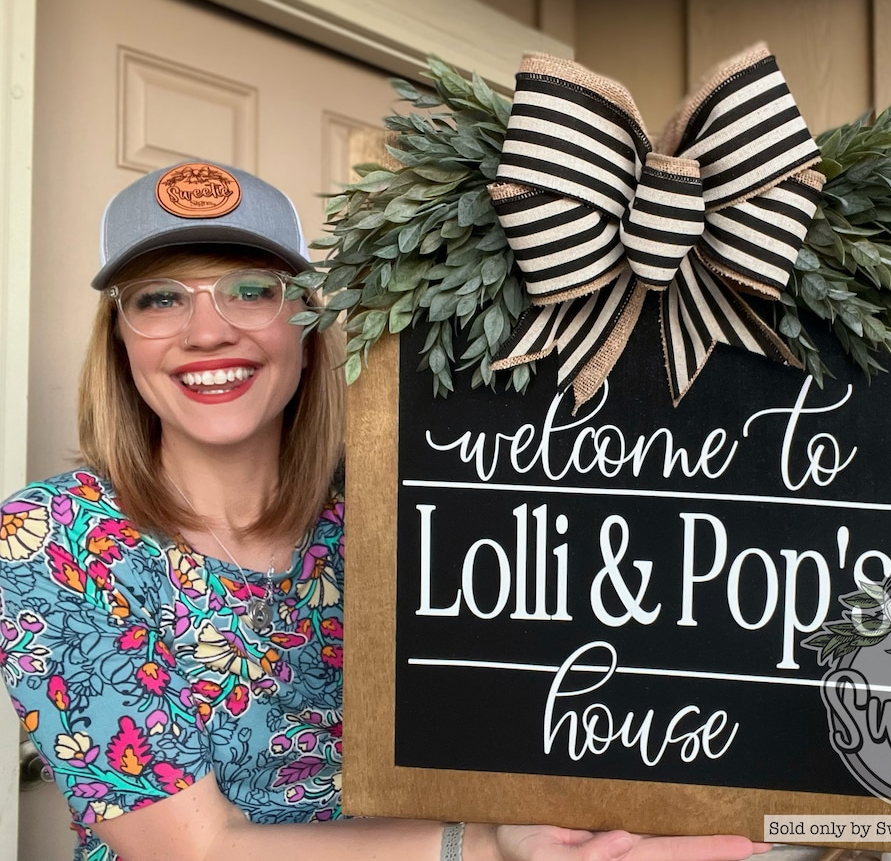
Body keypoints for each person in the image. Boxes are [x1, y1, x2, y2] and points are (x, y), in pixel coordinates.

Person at [0, 161, 769, 861]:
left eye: (250, 289)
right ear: (121, 344)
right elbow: (190, 847)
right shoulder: (55, 539)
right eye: (160, 298)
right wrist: (484, 845)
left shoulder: (404, 515)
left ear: (305, 329)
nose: (208, 331)